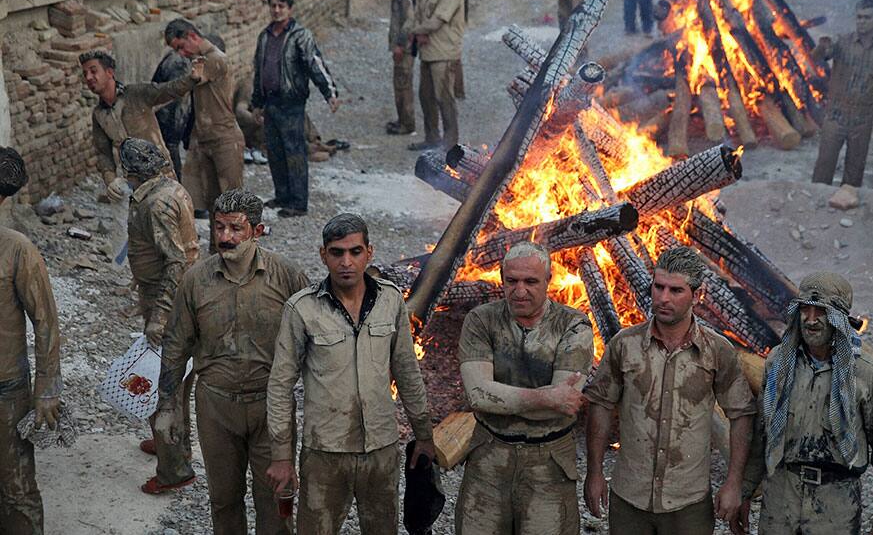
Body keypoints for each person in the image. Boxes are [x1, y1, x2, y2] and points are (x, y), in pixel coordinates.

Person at [266, 213, 435, 532]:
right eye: (337, 252)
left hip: (381, 450)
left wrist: (423, 434)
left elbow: (407, 370)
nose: (346, 262)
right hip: (325, 452)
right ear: (323, 255)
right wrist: (281, 456)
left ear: (369, 253)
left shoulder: (391, 300)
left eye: (355, 252)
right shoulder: (301, 309)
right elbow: (279, 387)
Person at [155, 188, 310, 534]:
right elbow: (176, 343)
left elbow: (315, 339)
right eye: (219, 227)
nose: (225, 237)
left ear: (257, 231)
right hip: (216, 407)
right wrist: (167, 406)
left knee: (276, 497)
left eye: (235, 228)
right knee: (224, 498)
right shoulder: (196, 280)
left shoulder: (286, 276)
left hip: (271, 407)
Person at [583, 246, 756, 534]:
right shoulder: (624, 345)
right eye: (658, 287)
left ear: (697, 295)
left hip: (688, 504)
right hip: (629, 499)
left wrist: (734, 482)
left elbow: (741, 415)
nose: (663, 298)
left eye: (676, 290)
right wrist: (595, 472)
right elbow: (600, 405)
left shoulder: (717, 351)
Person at [731, 272, 873, 535]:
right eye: (805, 310)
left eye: (821, 312)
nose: (811, 320)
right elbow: (761, 434)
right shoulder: (778, 363)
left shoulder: (865, 373)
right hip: (780, 500)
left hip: (835, 506)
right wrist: (744, 492)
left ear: (839, 317)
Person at [455, 241, 594, 535]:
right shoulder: (481, 320)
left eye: (531, 282)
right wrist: (547, 398)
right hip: (489, 457)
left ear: (548, 281)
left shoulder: (573, 325)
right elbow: (478, 396)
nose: (520, 291)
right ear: (501, 279)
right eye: (512, 281)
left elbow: (565, 403)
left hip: (549, 463)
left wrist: (501, 397)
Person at [118, 138, 200, 495]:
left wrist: (159, 315)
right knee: (178, 379)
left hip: (167, 299)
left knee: (164, 384)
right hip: (175, 296)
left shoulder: (154, 204)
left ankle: (174, 469)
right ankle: (171, 442)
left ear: (132, 172)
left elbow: (175, 261)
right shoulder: (170, 188)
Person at [0, 146, 63, 533]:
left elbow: (46, 322)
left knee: (16, 487)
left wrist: (47, 390)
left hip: (7, 390)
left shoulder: (18, 250)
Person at [249, 0, 340, 218]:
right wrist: (257, 103)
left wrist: (330, 93)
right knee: (275, 152)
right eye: (273, 6)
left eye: (281, 6)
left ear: (290, 9)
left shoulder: (301, 36)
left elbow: (315, 64)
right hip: (271, 103)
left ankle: (299, 202)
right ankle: (282, 195)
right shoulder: (265, 36)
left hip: (291, 104)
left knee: (295, 152)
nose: (277, 10)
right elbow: (259, 72)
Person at [79, 50, 203, 203]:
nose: (89, 78)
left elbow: (168, 90)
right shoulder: (98, 114)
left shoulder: (136, 94)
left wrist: (192, 79)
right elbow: (103, 153)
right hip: (133, 184)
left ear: (110, 72)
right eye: (85, 74)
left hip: (161, 176)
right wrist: (111, 181)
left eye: (93, 71)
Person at [811, 0, 873, 210]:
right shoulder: (842, 43)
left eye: (867, 17)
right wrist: (821, 47)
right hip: (836, 114)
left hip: (862, 118)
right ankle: (812, 210)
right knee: (824, 166)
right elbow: (817, 58)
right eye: (858, 17)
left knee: (855, 171)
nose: (862, 22)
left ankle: (847, 216)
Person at [163, 19, 245, 217]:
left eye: (181, 47)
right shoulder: (201, 60)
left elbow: (186, 83)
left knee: (232, 206)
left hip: (224, 138)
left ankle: (240, 248)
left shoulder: (216, 59)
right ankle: (217, 248)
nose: (181, 54)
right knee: (212, 205)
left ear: (192, 36)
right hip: (205, 139)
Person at [409, 0, 465, 152]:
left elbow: (436, 22)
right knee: (426, 97)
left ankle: (451, 144)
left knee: (445, 100)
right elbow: (419, 13)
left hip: (443, 54)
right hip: (428, 53)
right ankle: (432, 137)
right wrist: (420, 32)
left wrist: (415, 32)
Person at [380, 0, 419, 136]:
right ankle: (402, 119)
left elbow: (410, 19)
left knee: (403, 84)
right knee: (400, 83)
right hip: (401, 45)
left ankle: (407, 123)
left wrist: (400, 45)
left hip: (405, 47)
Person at [150, 50, 193, 179]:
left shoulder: (176, 60)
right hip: (169, 116)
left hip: (170, 115)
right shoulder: (178, 62)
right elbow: (173, 96)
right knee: (170, 148)